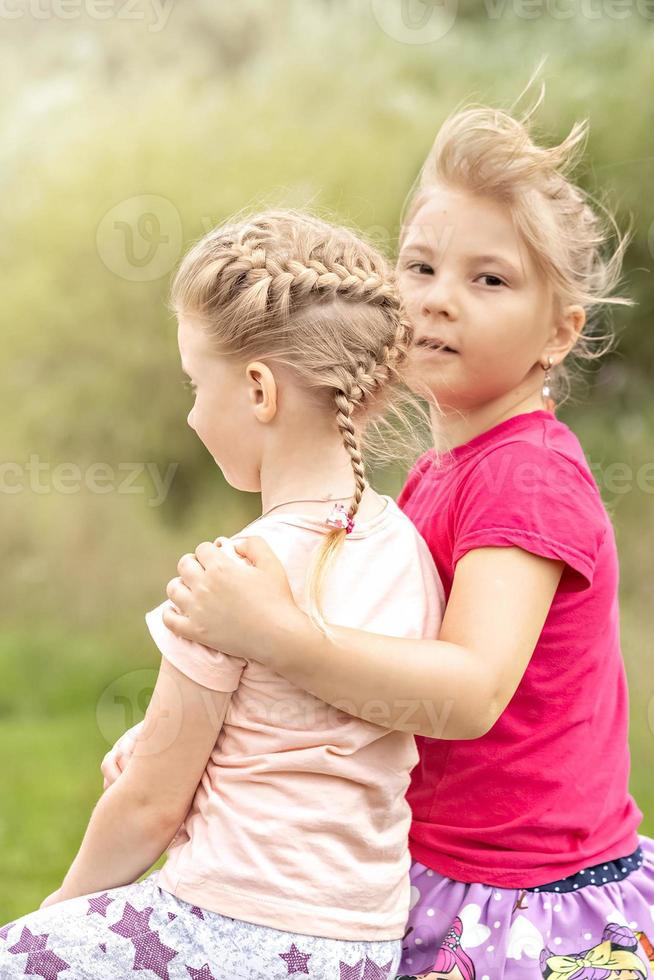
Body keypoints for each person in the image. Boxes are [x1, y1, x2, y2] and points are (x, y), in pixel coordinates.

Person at [137, 106, 654, 979]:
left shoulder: (523, 476)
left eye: (490, 281)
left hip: (521, 904)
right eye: (419, 266)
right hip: (430, 867)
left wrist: (274, 634)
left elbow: (469, 692)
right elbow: (363, 685)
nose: (438, 297)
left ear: (560, 331)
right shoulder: (439, 472)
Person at [0, 210, 447, 979]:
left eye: (193, 383)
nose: (190, 411)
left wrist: (58, 914)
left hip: (228, 926)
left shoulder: (232, 576)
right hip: (361, 945)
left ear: (257, 389)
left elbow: (149, 807)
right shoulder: (407, 548)